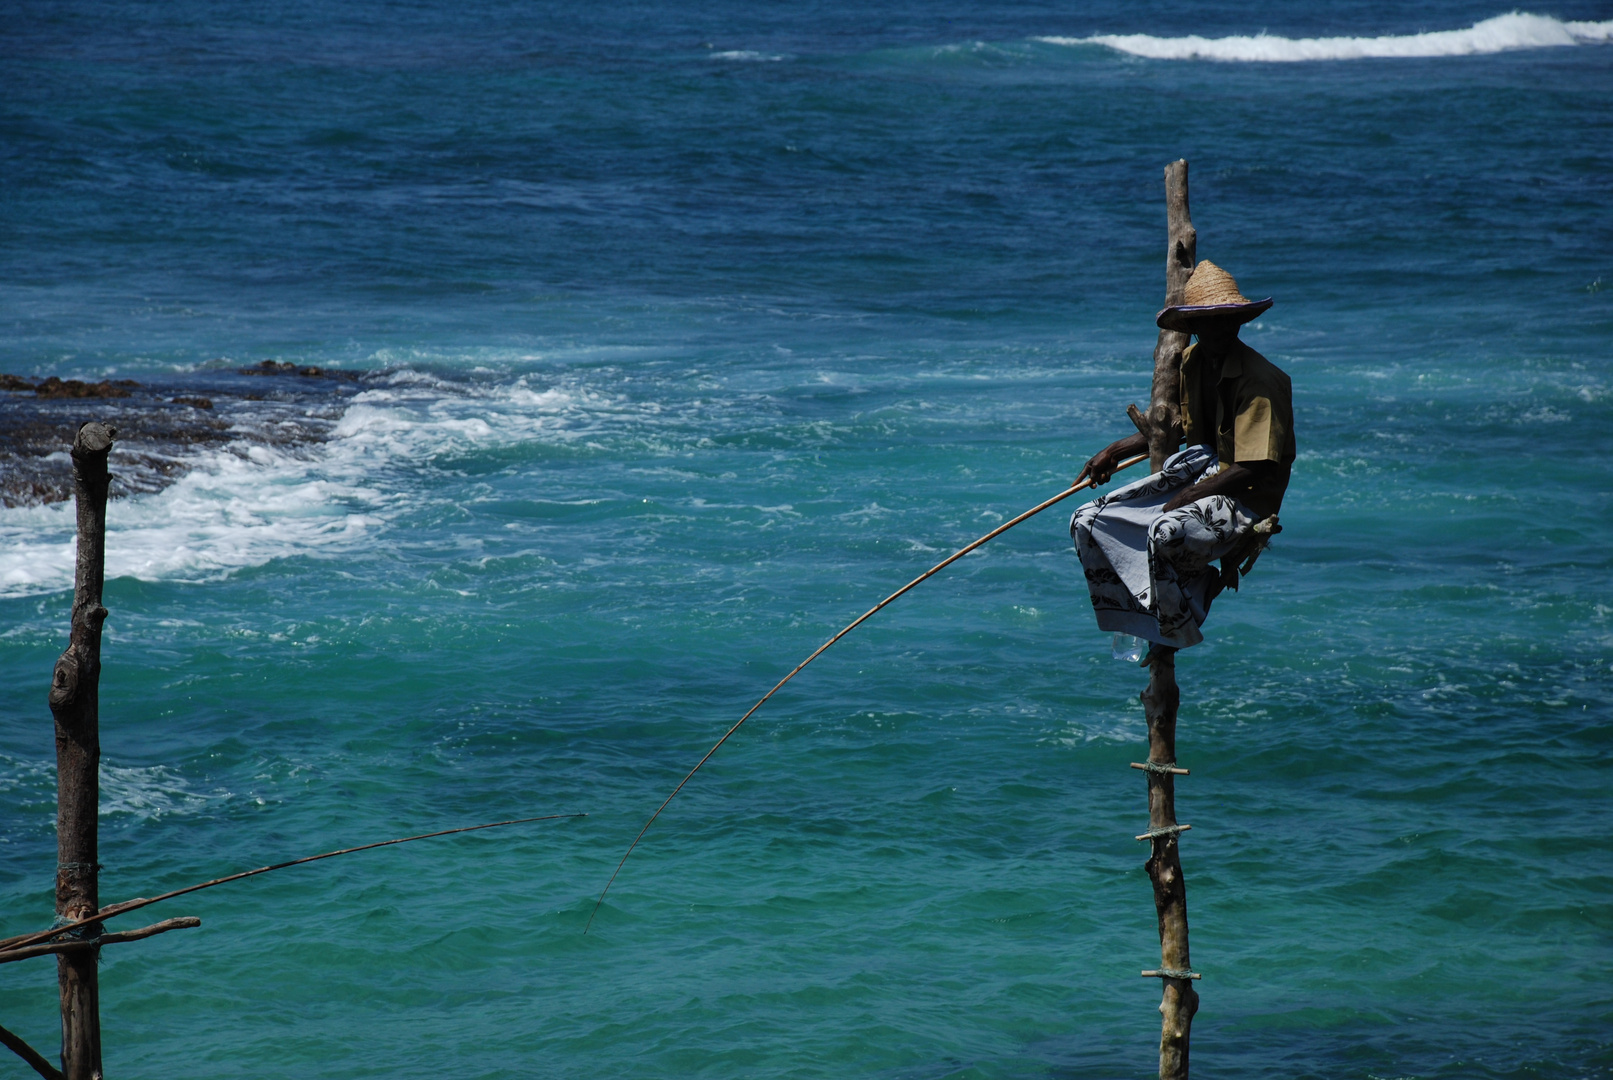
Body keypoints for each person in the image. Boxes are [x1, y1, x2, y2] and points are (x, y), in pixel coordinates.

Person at [1069, 261, 1295, 650]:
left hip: (1247, 494)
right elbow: (1182, 428)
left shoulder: (1261, 380)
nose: (1221, 329)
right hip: (1202, 473)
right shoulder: (1192, 362)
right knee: (1087, 522)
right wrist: (1114, 450)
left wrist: (1190, 497)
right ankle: (1147, 616)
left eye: (1229, 319)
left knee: (1164, 532)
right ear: (1193, 326)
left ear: (1240, 321)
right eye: (1209, 321)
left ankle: (1175, 627)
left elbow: (1254, 466)